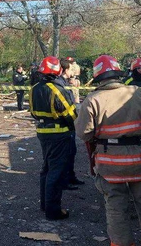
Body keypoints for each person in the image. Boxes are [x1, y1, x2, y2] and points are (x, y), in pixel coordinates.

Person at [75, 55, 141, 246]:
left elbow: (84, 134)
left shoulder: (93, 100)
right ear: (118, 73)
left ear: (97, 77)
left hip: (111, 165)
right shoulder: (139, 92)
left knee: (116, 209)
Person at [29, 56, 77, 220]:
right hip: (59, 134)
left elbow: (33, 113)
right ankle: (53, 210)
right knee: (56, 172)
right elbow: (70, 115)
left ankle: (45, 204)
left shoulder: (34, 88)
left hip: (43, 133)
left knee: (46, 169)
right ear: (57, 71)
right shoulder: (57, 90)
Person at [60, 57, 84, 188]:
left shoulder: (66, 83)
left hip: (69, 125)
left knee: (71, 152)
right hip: (65, 127)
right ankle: (65, 180)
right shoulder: (61, 84)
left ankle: (70, 176)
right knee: (65, 154)